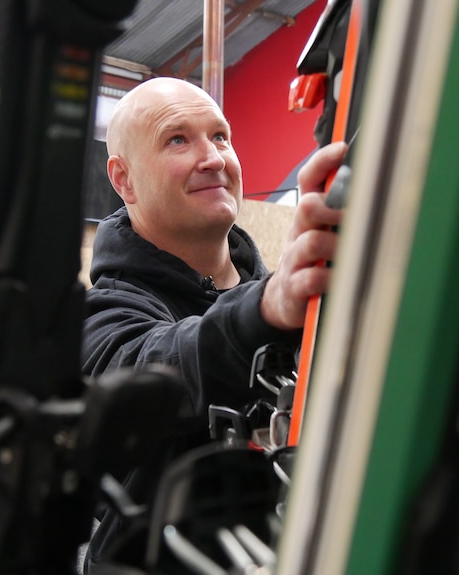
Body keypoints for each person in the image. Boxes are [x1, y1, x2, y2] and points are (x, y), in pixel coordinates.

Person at [81, 76, 346, 570]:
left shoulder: (289, 300)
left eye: (220, 136)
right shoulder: (106, 316)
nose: (213, 158)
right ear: (124, 179)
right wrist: (269, 306)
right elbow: (161, 366)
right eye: (177, 139)